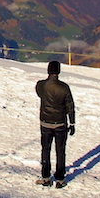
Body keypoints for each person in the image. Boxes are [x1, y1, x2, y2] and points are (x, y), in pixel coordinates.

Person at [35, 60, 75, 188]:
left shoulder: (41, 85)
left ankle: (45, 177)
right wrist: (72, 122)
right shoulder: (64, 87)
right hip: (60, 122)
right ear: (58, 71)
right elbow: (70, 106)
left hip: (45, 121)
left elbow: (40, 95)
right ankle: (60, 179)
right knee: (60, 151)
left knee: (45, 149)